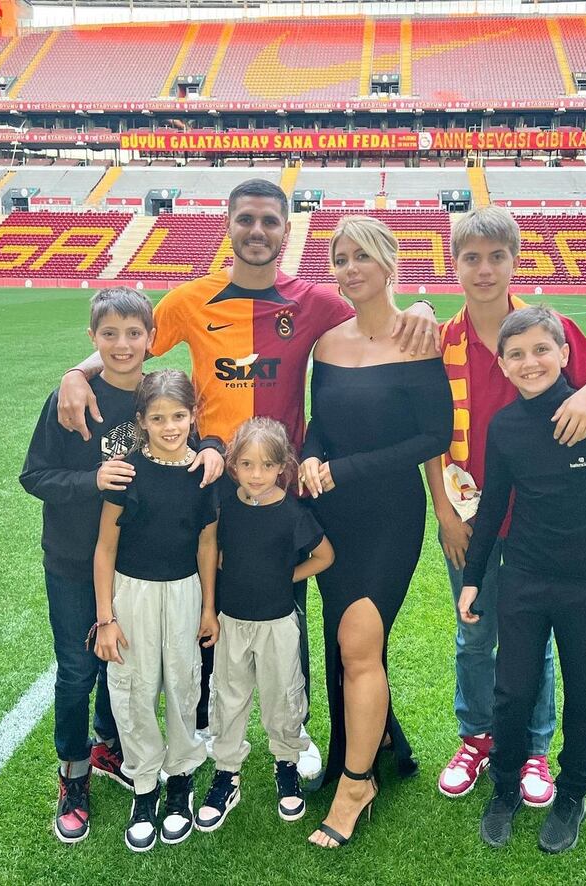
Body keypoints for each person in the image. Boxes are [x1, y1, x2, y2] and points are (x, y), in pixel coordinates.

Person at [57, 179, 439, 778]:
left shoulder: (315, 302)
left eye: (269, 221)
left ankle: (295, 727)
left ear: (286, 231)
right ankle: (208, 721)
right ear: (228, 225)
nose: (257, 231)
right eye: (246, 220)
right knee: (208, 598)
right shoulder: (190, 300)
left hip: (286, 489)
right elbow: (128, 344)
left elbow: (378, 313)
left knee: (288, 606)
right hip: (210, 481)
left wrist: (423, 306)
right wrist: (76, 374)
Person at [424, 206, 586, 807]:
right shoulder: (441, 341)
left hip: (542, 521)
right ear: (454, 265)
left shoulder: (548, 328)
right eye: (471, 258)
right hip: (471, 520)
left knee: (532, 640)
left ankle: (534, 747)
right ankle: (476, 737)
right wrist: (444, 514)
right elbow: (431, 436)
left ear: (515, 262)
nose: (484, 269)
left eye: (497, 256)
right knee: (473, 635)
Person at [458, 306, 586, 853]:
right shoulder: (505, 426)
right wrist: (473, 578)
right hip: (523, 579)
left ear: (564, 354)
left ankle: (572, 795)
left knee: (585, 697)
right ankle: (504, 789)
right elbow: (493, 507)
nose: (530, 362)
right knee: (512, 693)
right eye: (516, 354)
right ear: (503, 365)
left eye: (542, 349)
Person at [300, 216, 453, 849]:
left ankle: (355, 785)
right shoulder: (327, 344)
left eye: (362, 256)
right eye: (340, 258)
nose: (350, 268)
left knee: (358, 642)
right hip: (332, 513)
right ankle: (382, 739)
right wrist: (312, 455)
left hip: (390, 514)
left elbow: (432, 437)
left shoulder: (419, 337)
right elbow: (320, 423)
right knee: (348, 642)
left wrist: (344, 469)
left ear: (389, 263)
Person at [19, 286, 154, 844]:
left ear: (151, 339)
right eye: (109, 333)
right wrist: (91, 481)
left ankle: (107, 743)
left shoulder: (159, 396)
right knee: (77, 669)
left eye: (133, 333)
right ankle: (73, 773)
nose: (122, 344)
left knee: (121, 662)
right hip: (73, 559)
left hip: (137, 564)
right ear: (91, 338)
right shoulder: (70, 398)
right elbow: (34, 475)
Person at [92, 369, 219, 852]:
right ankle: (145, 786)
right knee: (134, 688)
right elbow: (105, 548)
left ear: (193, 417)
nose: (170, 427)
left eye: (179, 416)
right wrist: (106, 619)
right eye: (158, 418)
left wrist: (208, 608)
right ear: (141, 421)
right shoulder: (125, 472)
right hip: (133, 595)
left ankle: (181, 779)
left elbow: (207, 544)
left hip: (185, 592)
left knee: (185, 683)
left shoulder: (202, 474)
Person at [195, 418, 335, 833]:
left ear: (283, 467)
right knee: (228, 696)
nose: (256, 475)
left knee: (282, 697)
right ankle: (227, 772)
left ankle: (286, 765)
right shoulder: (225, 505)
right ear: (233, 465)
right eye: (247, 464)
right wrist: (214, 602)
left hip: (277, 624)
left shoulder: (293, 512)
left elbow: (325, 556)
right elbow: (214, 550)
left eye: (267, 465)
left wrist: (284, 577)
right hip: (232, 622)